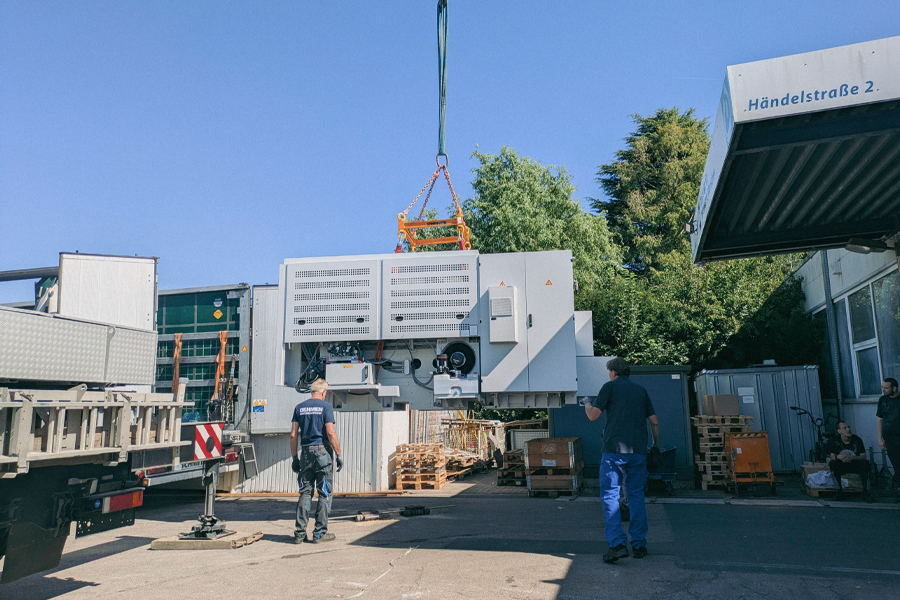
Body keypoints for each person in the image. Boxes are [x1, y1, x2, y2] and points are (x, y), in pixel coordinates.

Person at [584, 357, 660, 563]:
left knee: (610, 496)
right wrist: (654, 445)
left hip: (613, 452)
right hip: (638, 453)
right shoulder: (640, 391)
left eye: (609, 371)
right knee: (635, 496)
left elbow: (593, 416)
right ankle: (639, 545)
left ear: (613, 372)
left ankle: (617, 544)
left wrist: (587, 402)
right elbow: (654, 422)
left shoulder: (609, 387)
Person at [290, 378, 343, 543]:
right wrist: (339, 454)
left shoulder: (299, 408)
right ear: (323, 392)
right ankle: (319, 533)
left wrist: (294, 458)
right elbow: (330, 432)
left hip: (305, 454)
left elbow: (293, 434)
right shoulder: (326, 407)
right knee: (324, 493)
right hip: (322, 453)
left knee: (305, 493)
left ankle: (299, 534)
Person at [826, 422, 872, 502]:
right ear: (839, 431)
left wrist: (852, 458)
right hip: (842, 465)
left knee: (865, 463)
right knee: (833, 464)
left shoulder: (857, 440)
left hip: (854, 464)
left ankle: (866, 492)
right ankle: (839, 491)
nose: (848, 429)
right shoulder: (834, 440)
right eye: (845, 428)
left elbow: (863, 456)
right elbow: (832, 456)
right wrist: (839, 457)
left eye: (848, 427)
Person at [877, 377, 900, 497]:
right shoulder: (883, 400)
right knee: (896, 465)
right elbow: (880, 419)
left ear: (894, 388)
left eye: (886, 388)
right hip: (889, 438)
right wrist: (880, 438)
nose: (883, 390)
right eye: (882, 387)